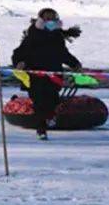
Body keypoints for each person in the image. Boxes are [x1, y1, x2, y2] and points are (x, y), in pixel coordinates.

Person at [12, 8, 82, 140]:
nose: (49, 20)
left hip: (53, 77)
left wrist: (75, 64)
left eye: (52, 17)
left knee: (53, 100)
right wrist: (19, 62)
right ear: (41, 19)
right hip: (35, 76)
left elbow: (63, 54)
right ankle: (41, 128)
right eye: (46, 18)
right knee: (39, 102)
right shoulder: (32, 35)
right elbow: (19, 52)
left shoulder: (57, 36)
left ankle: (49, 119)